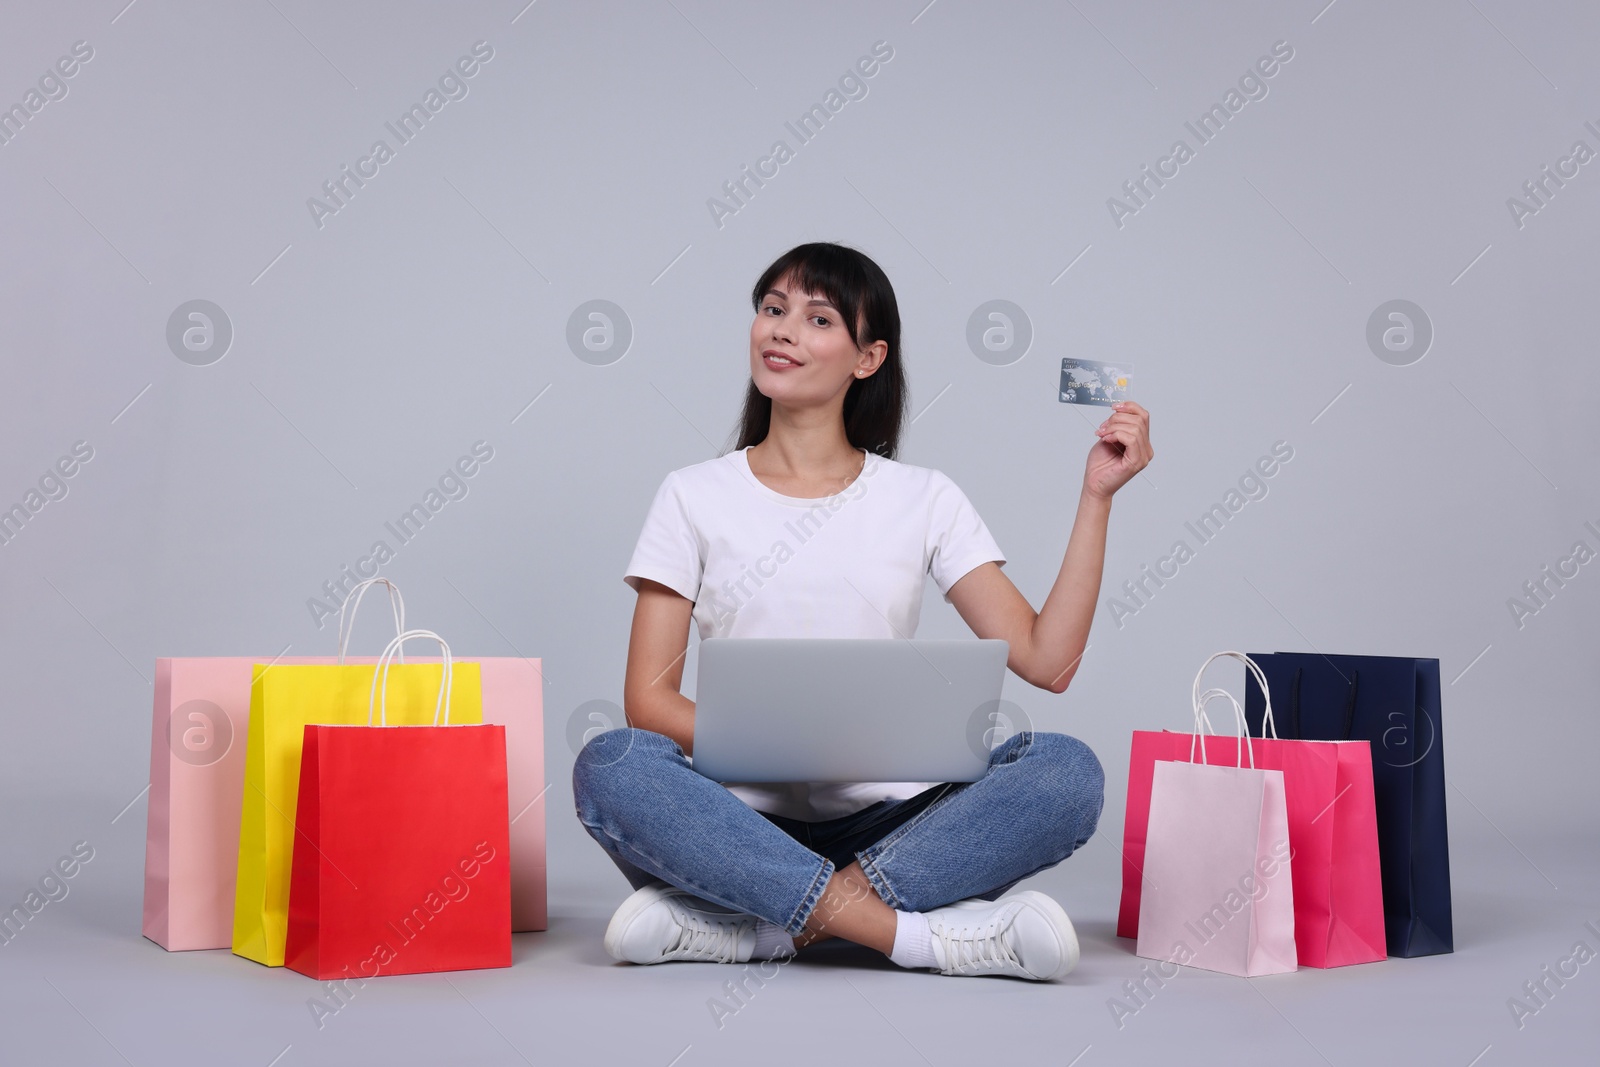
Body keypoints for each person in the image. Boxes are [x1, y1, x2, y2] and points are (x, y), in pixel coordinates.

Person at [573, 242, 1154, 980]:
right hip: (737, 826)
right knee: (614, 762)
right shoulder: (692, 494)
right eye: (772, 309)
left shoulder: (924, 497)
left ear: (868, 358)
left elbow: (1049, 659)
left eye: (817, 318)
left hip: (897, 827)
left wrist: (1096, 497)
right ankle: (913, 938)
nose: (781, 330)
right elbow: (646, 699)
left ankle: (764, 928)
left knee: (1066, 771)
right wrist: (786, 743)